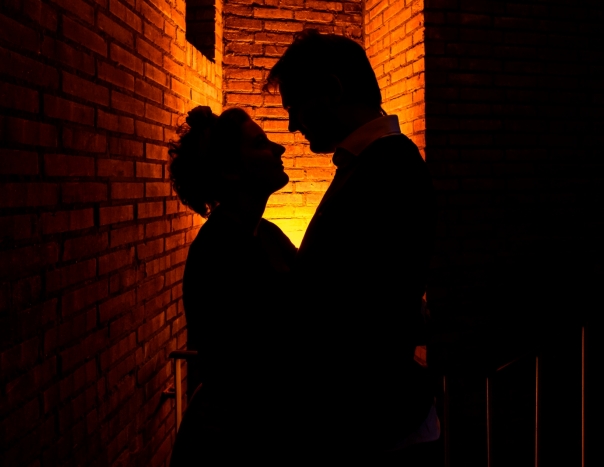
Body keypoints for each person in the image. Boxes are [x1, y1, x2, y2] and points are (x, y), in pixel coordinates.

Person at [264, 29, 439, 464]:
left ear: (333, 90)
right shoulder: (372, 164)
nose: (291, 125)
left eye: (295, 106)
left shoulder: (387, 167)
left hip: (377, 429)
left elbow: (365, 305)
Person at [167, 106, 298, 465]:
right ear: (229, 170)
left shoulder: (266, 233)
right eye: (260, 144)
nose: (278, 149)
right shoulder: (218, 253)